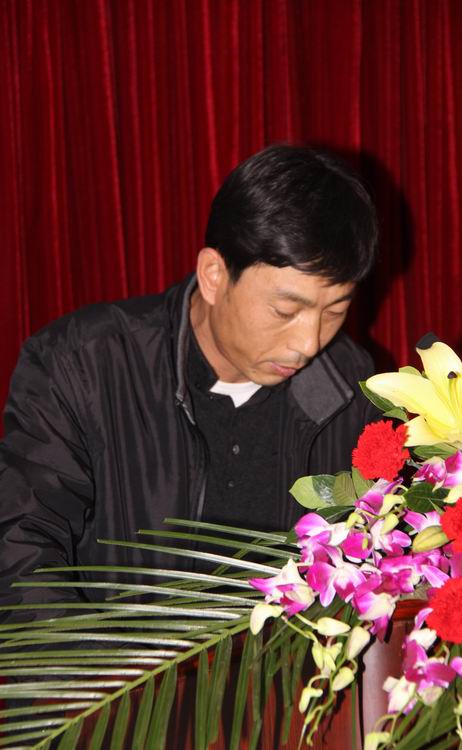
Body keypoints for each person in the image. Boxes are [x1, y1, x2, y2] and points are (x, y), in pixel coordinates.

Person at [0, 145, 379, 614]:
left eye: (335, 312)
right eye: (285, 311)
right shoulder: (81, 366)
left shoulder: (351, 389)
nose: (308, 342)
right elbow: (22, 552)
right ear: (214, 275)